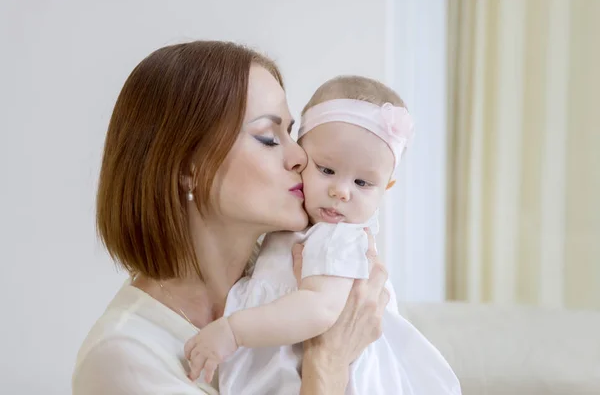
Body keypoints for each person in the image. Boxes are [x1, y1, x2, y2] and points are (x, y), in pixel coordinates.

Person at [71, 41, 390, 395]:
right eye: (269, 139)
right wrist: (327, 359)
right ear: (187, 167)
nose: (300, 156)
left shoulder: (296, 272)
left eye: (292, 133)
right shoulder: (123, 359)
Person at [185, 76, 462, 394]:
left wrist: (233, 331)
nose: (341, 191)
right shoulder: (299, 230)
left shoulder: (339, 239)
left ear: (386, 188)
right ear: (302, 157)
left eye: (363, 183)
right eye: (327, 170)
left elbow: (319, 310)